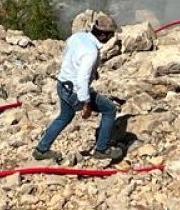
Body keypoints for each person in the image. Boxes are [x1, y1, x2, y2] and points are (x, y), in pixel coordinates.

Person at [33, 13, 123, 162]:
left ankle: (41, 149)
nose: (111, 38)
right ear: (102, 35)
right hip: (75, 90)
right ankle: (102, 149)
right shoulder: (91, 52)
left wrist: (92, 72)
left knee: (64, 117)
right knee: (109, 109)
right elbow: (82, 79)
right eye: (110, 35)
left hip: (62, 84)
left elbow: (70, 55)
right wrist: (86, 103)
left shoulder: (78, 37)